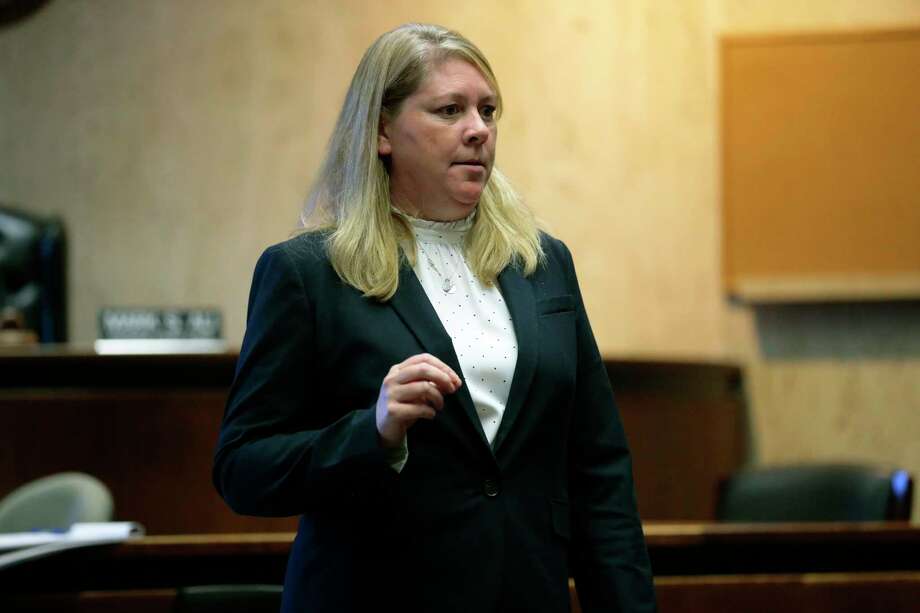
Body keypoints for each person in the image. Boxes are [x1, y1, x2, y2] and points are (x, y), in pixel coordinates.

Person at [213, 23, 657, 613]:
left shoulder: (541, 263)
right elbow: (243, 468)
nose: (478, 130)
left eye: (487, 110)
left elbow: (598, 472)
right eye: (449, 110)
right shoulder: (308, 273)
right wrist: (370, 432)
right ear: (381, 132)